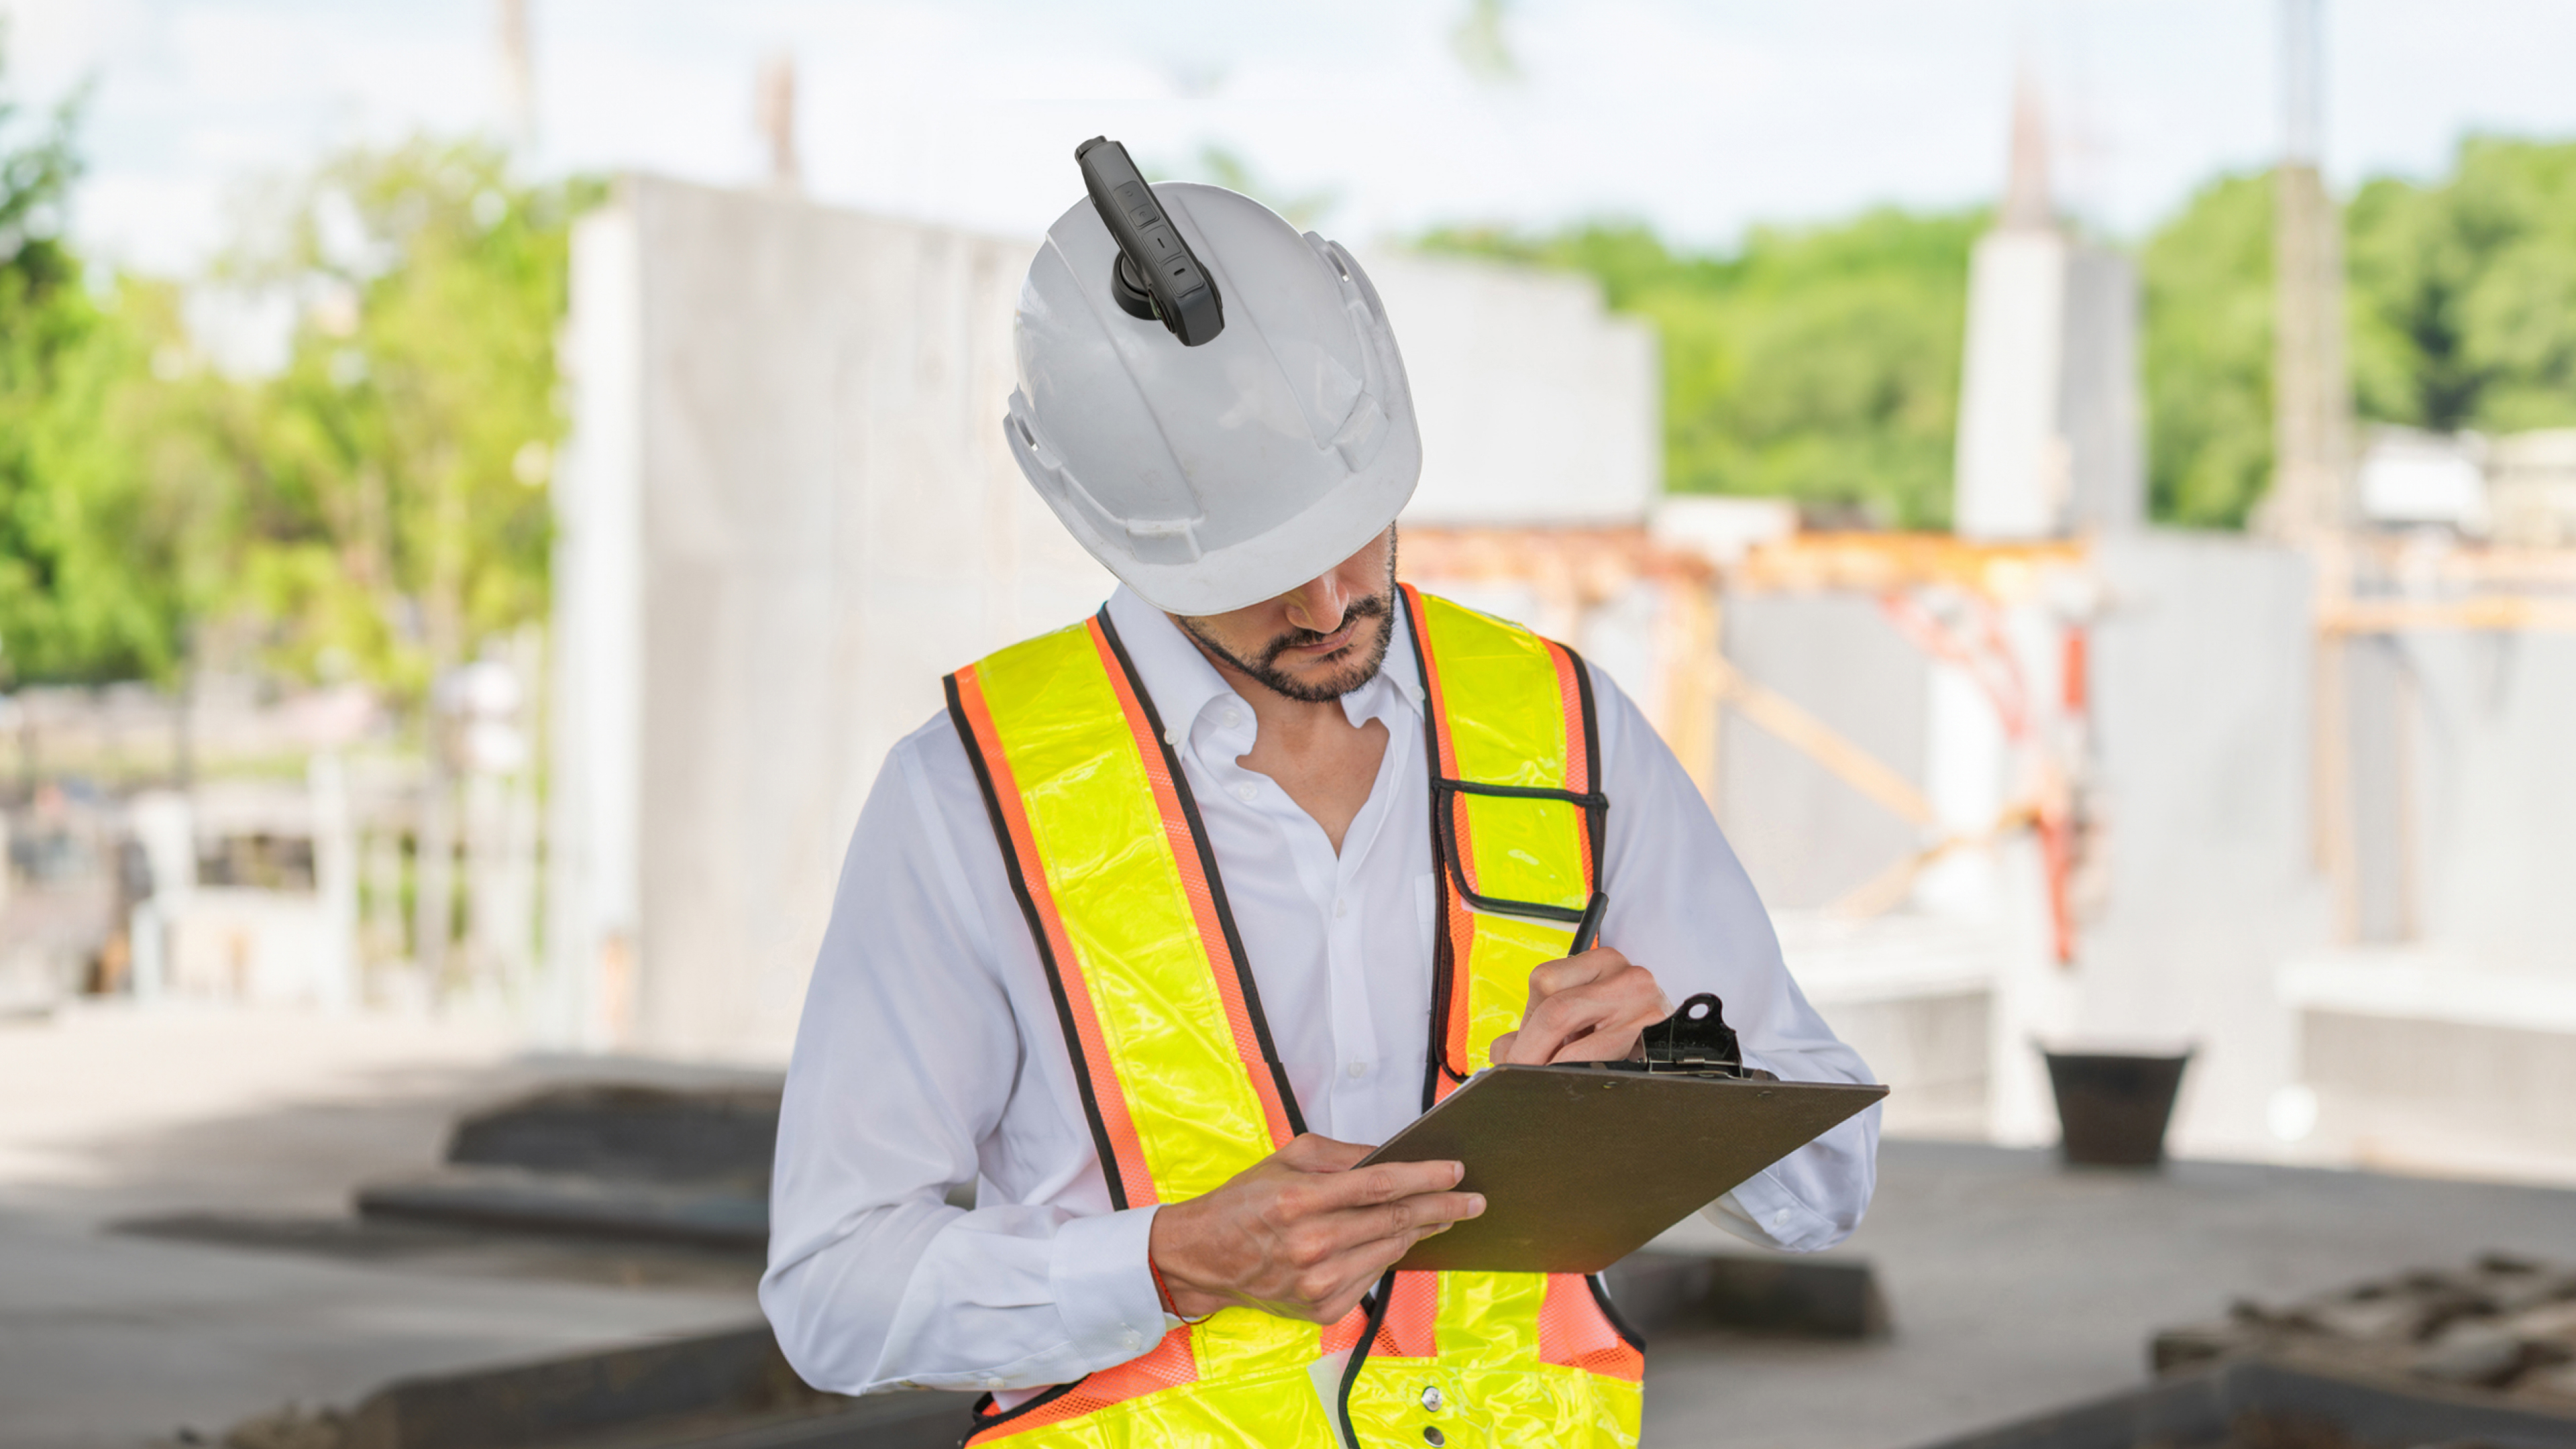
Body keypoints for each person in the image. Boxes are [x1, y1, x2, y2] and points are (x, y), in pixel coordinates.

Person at [761, 146, 1878, 1448]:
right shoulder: (970, 800)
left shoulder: (1565, 733)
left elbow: (1828, 1180)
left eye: (1351, 528)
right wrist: (1166, 1264)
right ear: (1099, 518)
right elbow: (834, 1297)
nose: (1330, 603)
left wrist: (1671, 1086)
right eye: (1257, 567)